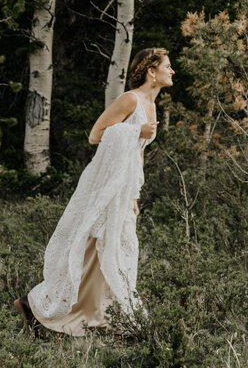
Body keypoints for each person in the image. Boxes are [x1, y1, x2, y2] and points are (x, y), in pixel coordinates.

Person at [13, 47, 173, 336]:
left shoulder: (152, 106)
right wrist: (136, 131)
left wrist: (135, 195)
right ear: (152, 71)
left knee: (116, 249)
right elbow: (96, 134)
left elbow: (139, 153)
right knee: (89, 243)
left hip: (124, 190)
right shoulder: (131, 99)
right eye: (167, 66)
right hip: (104, 185)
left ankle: (102, 315)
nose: (171, 71)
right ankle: (36, 305)